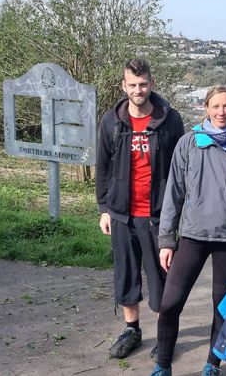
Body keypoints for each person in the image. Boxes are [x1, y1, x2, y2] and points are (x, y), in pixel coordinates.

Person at [149, 85, 226, 376]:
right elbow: (173, 193)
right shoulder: (189, 142)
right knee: (170, 302)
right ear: (206, 108)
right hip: (193, 235)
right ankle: (163, 364)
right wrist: (166, 240)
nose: (221, 112)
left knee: (221, 306)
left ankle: (212, 364)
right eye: (216, 106)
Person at [95, 59, 184, 359]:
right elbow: (103, 167)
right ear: (123, 86)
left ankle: (163, 335)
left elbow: (180, 169)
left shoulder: (170, 120)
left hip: (157, 215)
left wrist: (176, 215)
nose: (138, 90)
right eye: (132, 85)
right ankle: (132, 329)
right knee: (126, 274)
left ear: (152, 83)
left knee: (161, 277)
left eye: (143, 84)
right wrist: (104, 208)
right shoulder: (112, 121)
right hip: (122, 213)